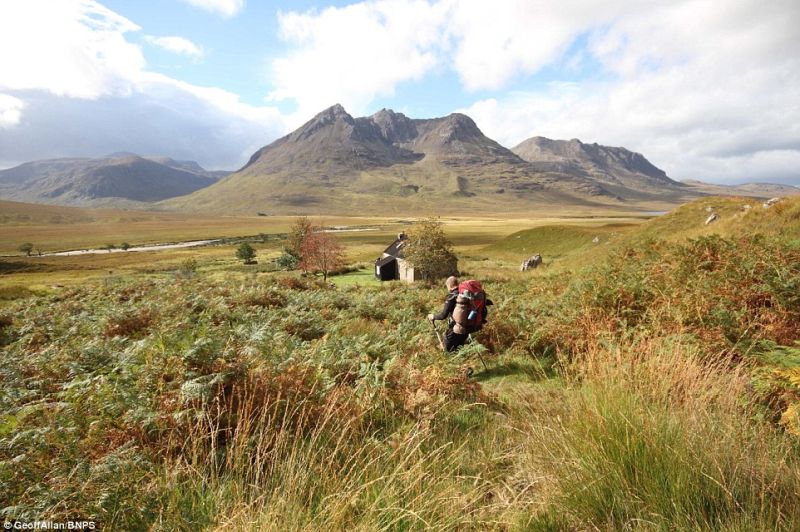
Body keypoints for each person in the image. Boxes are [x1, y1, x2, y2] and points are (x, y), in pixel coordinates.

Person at [427, 276, 469, 352]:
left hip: (455, 330)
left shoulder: (452, 297)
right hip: (466, 329)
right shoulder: (464, 295)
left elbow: (443, 315)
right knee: (459, 351)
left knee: (448, 352)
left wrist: (433, 316)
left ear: (449, 286)